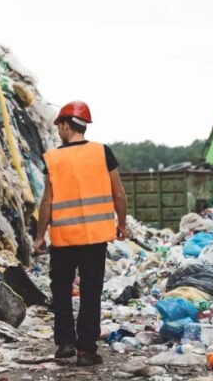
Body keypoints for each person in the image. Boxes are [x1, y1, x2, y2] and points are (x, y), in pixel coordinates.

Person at [33, 100, 127, 366]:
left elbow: (47, 202)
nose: (58, 131)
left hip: (63, 239)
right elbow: (118, 192)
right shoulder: (102, 152)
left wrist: (40, 236)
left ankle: (64, 343)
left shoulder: (53, 159)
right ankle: (86, 350)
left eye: (59, 126)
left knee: (61, 290)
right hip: (95, 237)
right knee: (90, 290)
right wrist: (122, 223)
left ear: (65, 125)